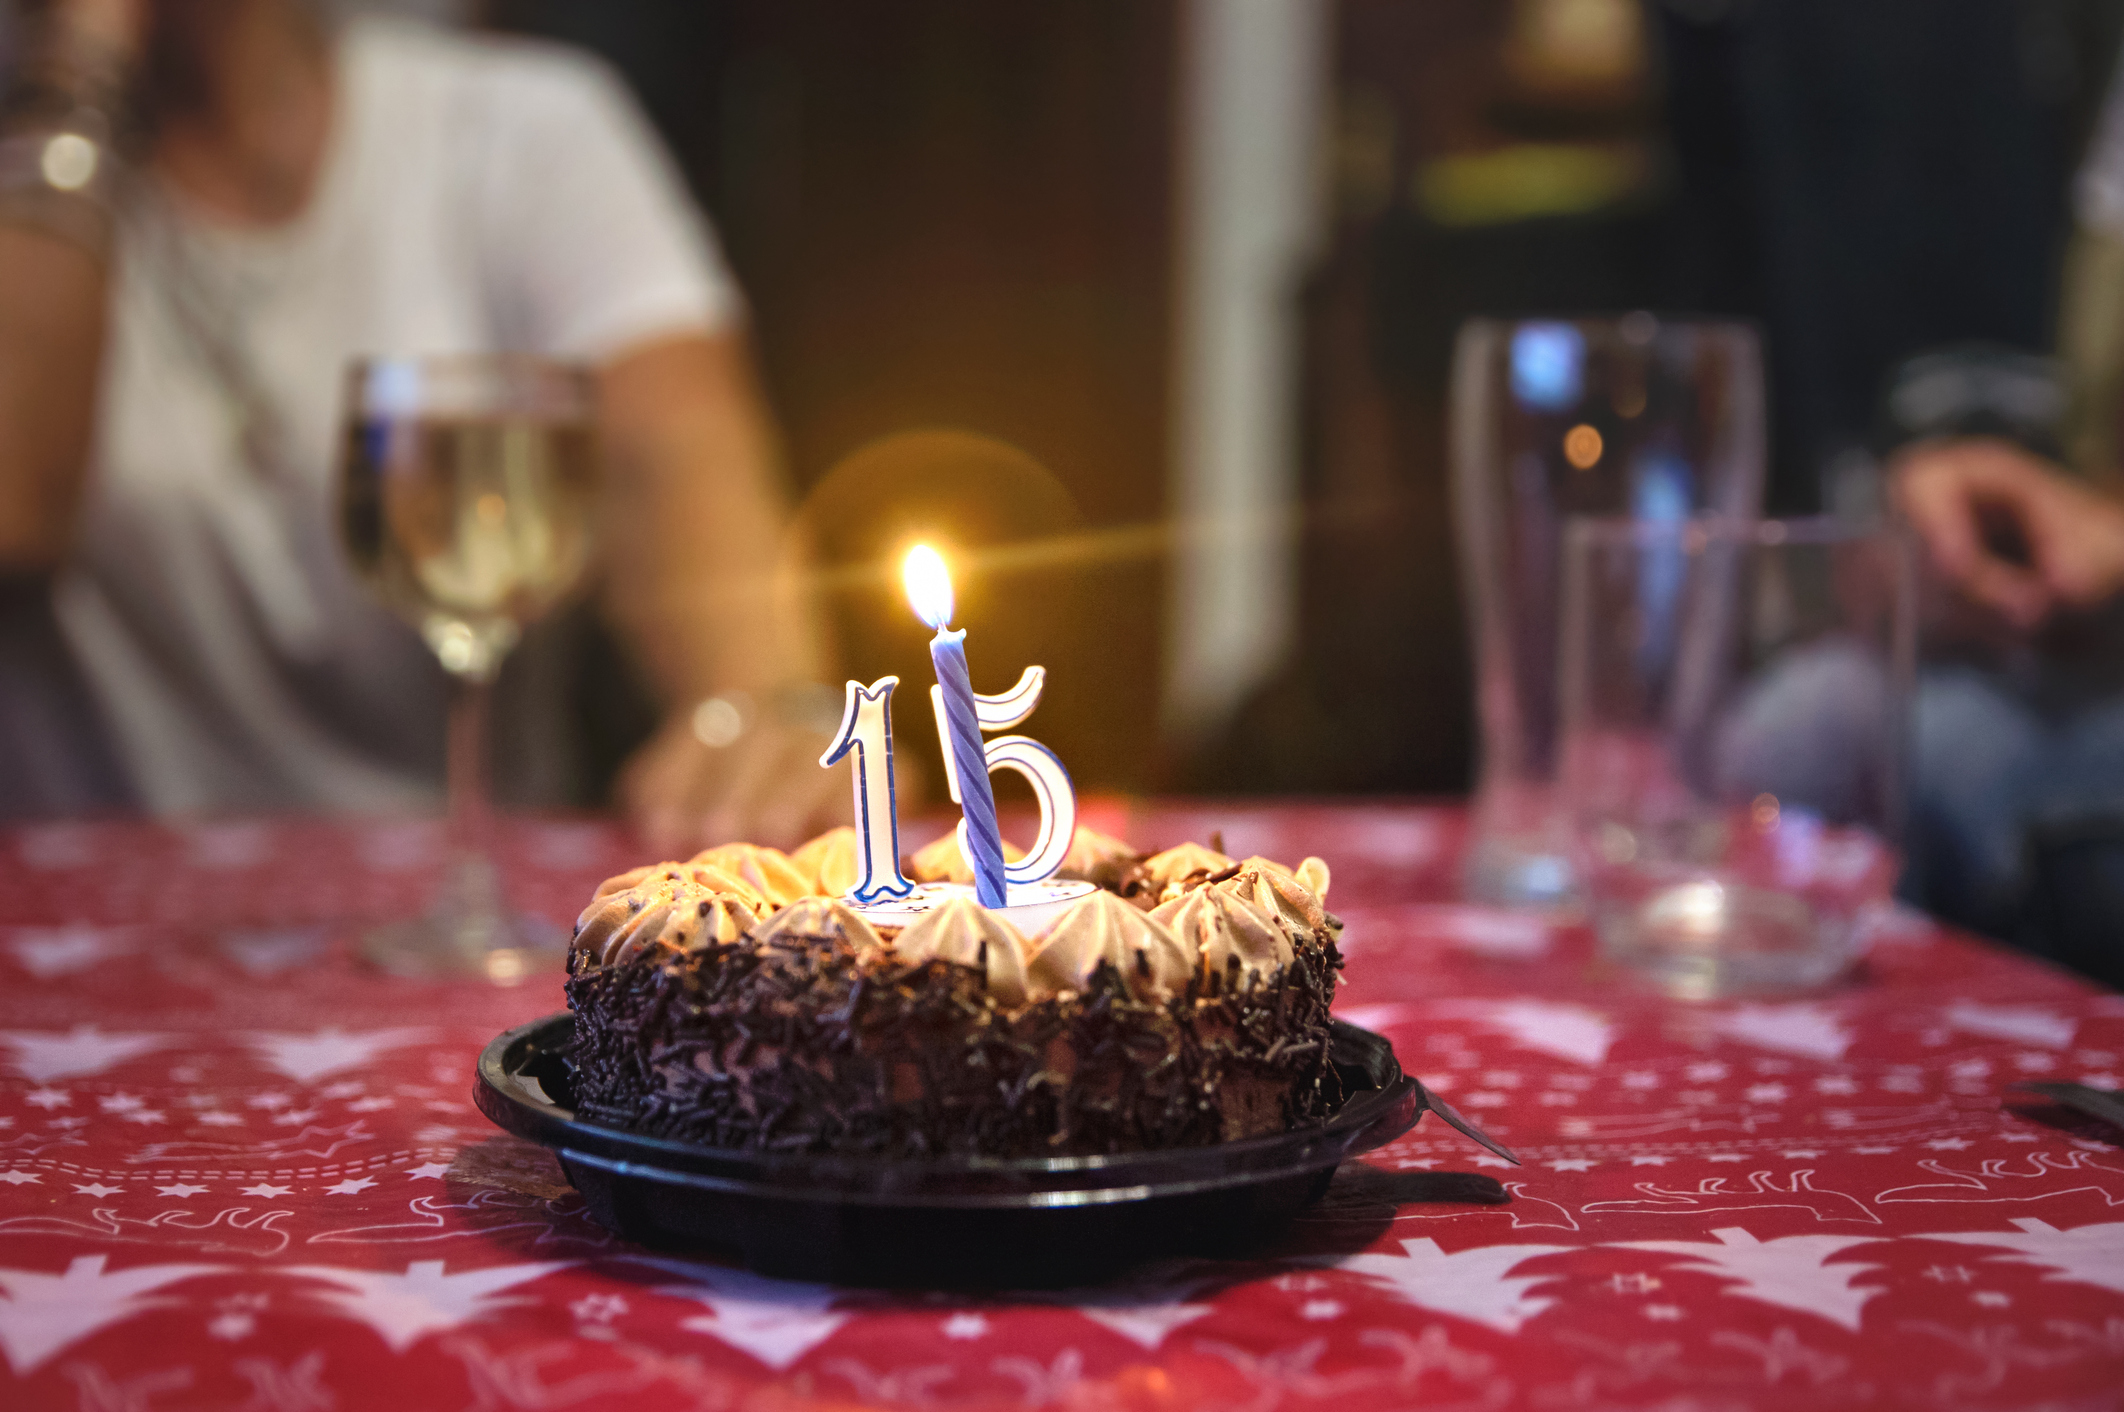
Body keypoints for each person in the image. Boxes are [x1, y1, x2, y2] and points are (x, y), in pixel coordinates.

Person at [0, 0, 840, 849]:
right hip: (93, 907)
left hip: (491, 892)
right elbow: (15, 508)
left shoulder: (517, 126)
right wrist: (77, 72)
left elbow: (670, 460)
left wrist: (764, 714)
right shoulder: (24, 163)